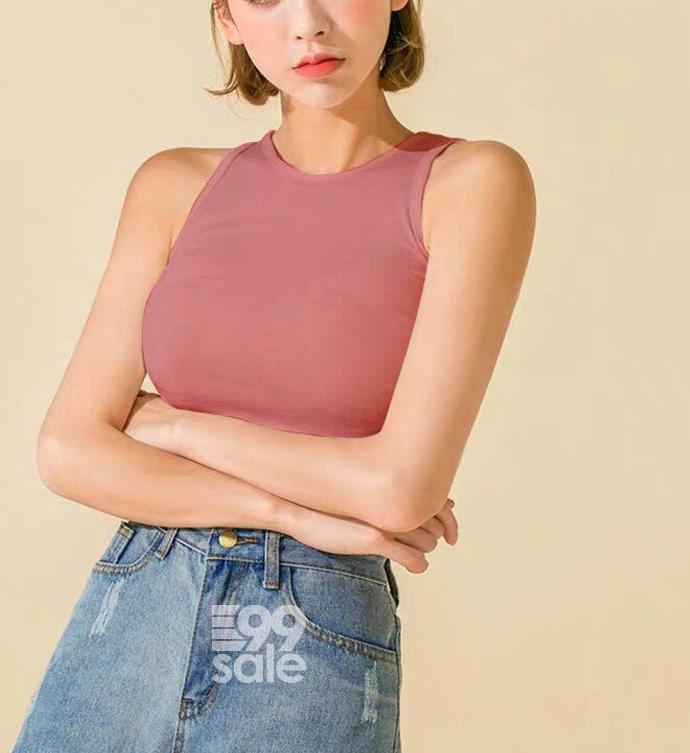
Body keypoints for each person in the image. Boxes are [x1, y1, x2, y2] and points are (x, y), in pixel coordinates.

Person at [12, 1, 536, 751]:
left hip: (308, 625)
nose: (307, 23)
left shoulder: (469, 182)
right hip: (136, 604)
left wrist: (173, 426)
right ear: (227, 18)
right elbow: (68, 452)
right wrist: (292, 513)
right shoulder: (174, 186)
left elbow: (398, 489)